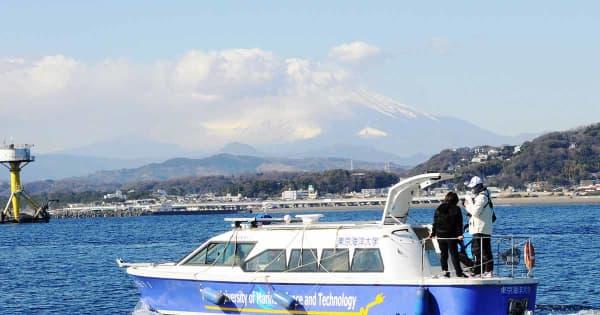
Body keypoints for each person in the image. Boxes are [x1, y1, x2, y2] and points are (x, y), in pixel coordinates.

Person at [430, 192, 466, 278]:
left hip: (440, 235)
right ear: (455, 200)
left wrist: (433, 233)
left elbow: (435, 222)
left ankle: (445, 271)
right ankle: (459, 272)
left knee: (443, 254)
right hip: (451, 236)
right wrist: (460, 234)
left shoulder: (439, 208)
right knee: (454, 254)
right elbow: (459, 224)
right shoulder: (456, 209)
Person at [464, 176, 494, 277]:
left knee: (480, 250)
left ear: (479, 186)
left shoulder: (482, 198)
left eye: (473, 187)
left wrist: (467, 204)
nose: (472, 189)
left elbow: (475, 212)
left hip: (480, 228)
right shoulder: (484, 196)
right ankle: (481, 270)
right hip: (481, 227)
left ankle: (485, 271)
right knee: (481, 250)